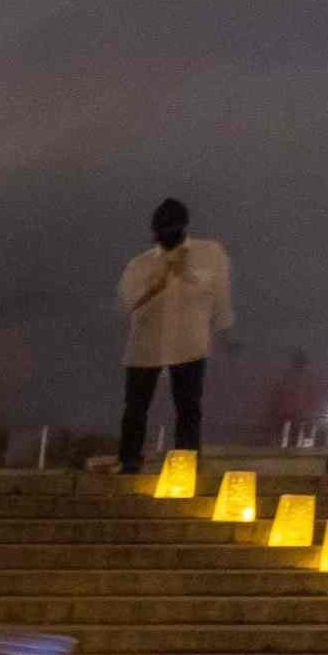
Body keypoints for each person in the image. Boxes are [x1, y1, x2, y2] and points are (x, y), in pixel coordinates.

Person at [115, 198, 234, 472]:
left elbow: (220, 296)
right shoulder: (140, 264)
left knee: (188, 406)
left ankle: (186, 464)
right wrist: (156, 284)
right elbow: (125, 303)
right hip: (146, 345)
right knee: (135, 407)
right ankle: (130, 461)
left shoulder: (210, 253)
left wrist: (186, 274)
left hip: (189, 342)